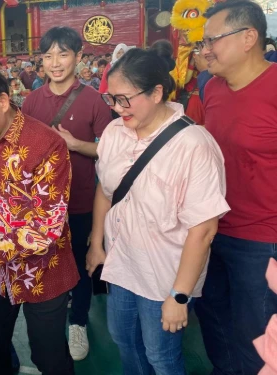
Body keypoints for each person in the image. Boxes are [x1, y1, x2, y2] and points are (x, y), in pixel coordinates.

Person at [85, 47, 229, 375]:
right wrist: (97, 244)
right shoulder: (113, 133)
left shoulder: (194, 145)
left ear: (157, 92)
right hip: (122, 266)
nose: (118, 109)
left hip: (165, 275)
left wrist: (179, 296)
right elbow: (105, 191)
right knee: (124, 340)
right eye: (111, 99)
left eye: (125, 99)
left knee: (161, 356)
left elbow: (203, 230)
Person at [0, 63, 77, 375]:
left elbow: (47, 227)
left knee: (50, 358)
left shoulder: (46, 145)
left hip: (44, 273)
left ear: (3, 101)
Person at [194, 1, 277, 374]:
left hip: (262, 238)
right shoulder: (211, 88)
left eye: (213, 39)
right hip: (212, 230)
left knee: (256, 332)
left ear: (249, 38)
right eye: (203, 41)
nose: (205, 49)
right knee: (212, 317)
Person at [22, 26, 113, 361]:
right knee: (47, 263)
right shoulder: (31, 101)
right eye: (48, 56)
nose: (55, 63)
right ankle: (55, 319)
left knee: (81, 263)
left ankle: (78, 322)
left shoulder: (94, 101)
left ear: (78, 57)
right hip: (41, 206)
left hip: (80, 202)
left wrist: (76, 145)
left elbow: (110, 150)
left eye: (63, 54)